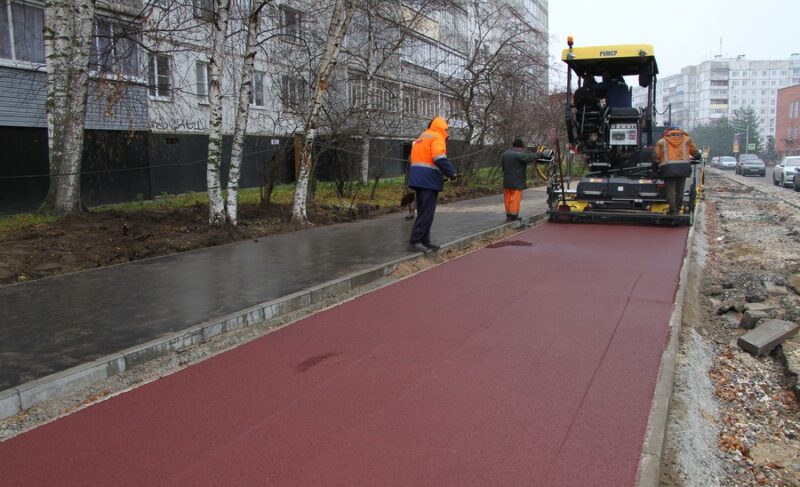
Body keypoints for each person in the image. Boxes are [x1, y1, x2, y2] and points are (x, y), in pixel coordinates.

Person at [407, 116, 457, 252]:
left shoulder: (422, 136)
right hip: (428, 179)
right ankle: (416, 240)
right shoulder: (437, 137)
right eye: (447, 128)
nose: (447, 131)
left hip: (418, 178)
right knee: (427, 213)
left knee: (424, 211)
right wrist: (451, 173)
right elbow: (438, 157)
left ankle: (425, 240)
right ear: (442, 127)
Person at [501, 139, 554, 222]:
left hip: (506, 181)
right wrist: (540, 153)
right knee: (515, 199)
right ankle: (514, 216)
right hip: (516, 182)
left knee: (507, 199)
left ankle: (508, 215)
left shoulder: (505, 154)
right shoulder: (518, 155)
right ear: (520, 147)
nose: (522, 150)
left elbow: (503, 168)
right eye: (522, 148)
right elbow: (529, 157)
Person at [655, 126, 700, 215]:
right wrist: (698, 156)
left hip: (668, 169)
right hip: (683, 168)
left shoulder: (662, 141)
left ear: (668, 132)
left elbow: (657, 156)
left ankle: (673, 210)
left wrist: (656, 163)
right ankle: (679, 208)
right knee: (680, 190)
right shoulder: (687, 140)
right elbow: (694, 151)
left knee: (671, 191)